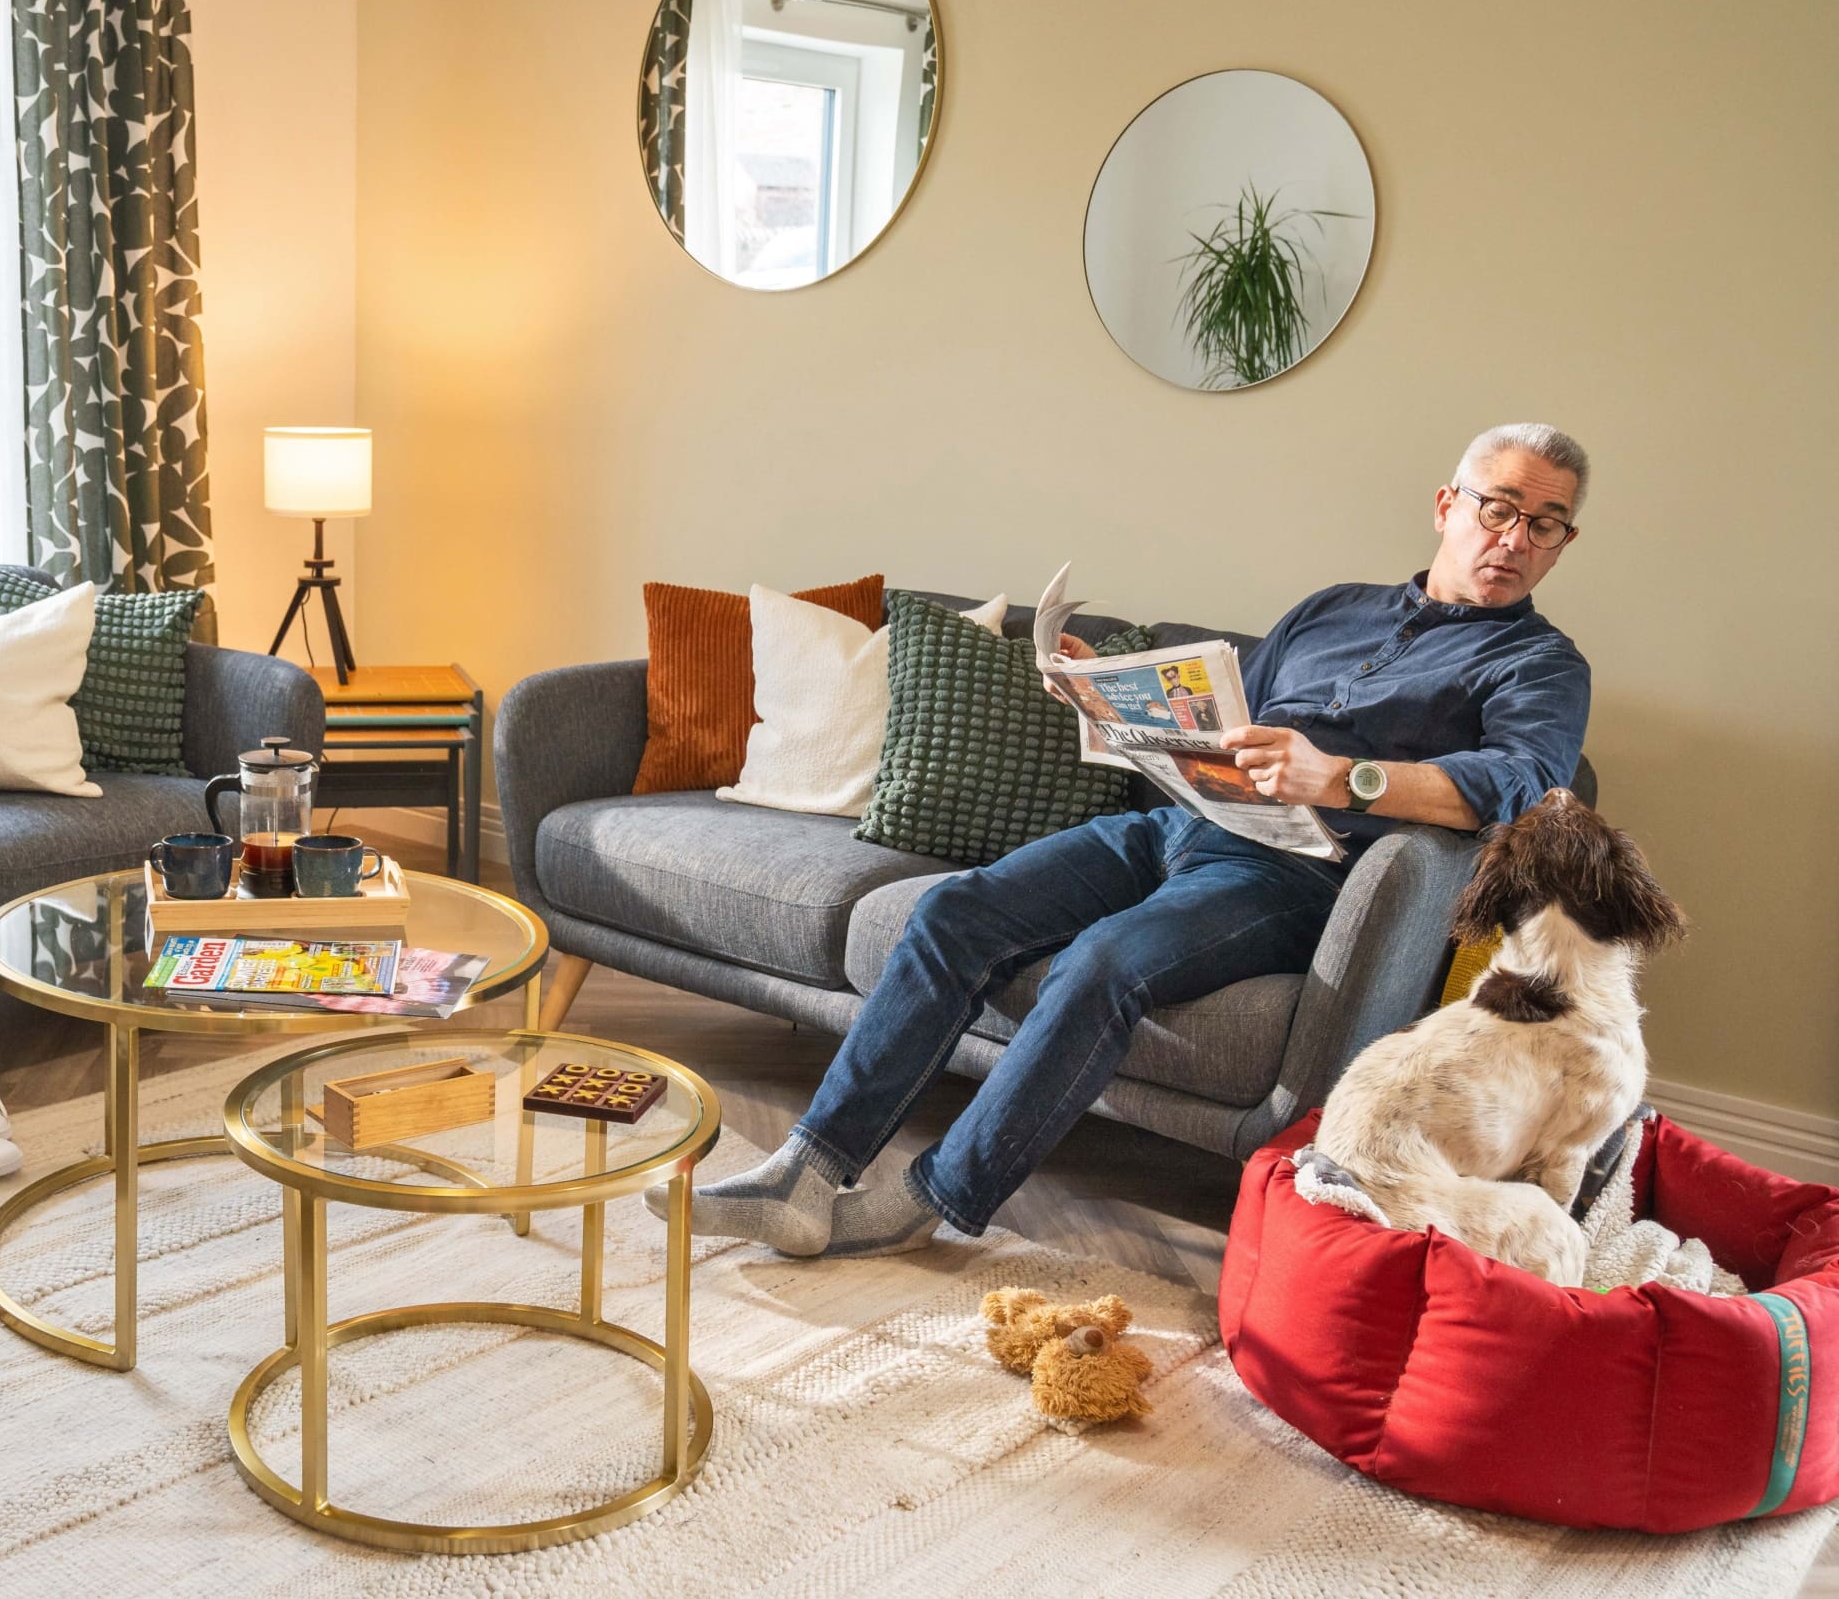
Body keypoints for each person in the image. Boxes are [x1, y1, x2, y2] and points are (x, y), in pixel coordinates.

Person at [660, 422, 1596, 1258]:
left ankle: (929, 1198)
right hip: (1181, 823)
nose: (1515, 539)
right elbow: (1224, 710)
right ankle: (807, 1172)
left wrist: (1343, 777)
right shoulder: (1334, 608)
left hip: (1299, 874)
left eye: (1545, 524)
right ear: (1447, 505)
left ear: (1563, 542)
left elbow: (1524, 785)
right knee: (953, 912)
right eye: (1499, 508)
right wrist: (1110, 689)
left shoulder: (1540, 665)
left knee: (1102, 963)